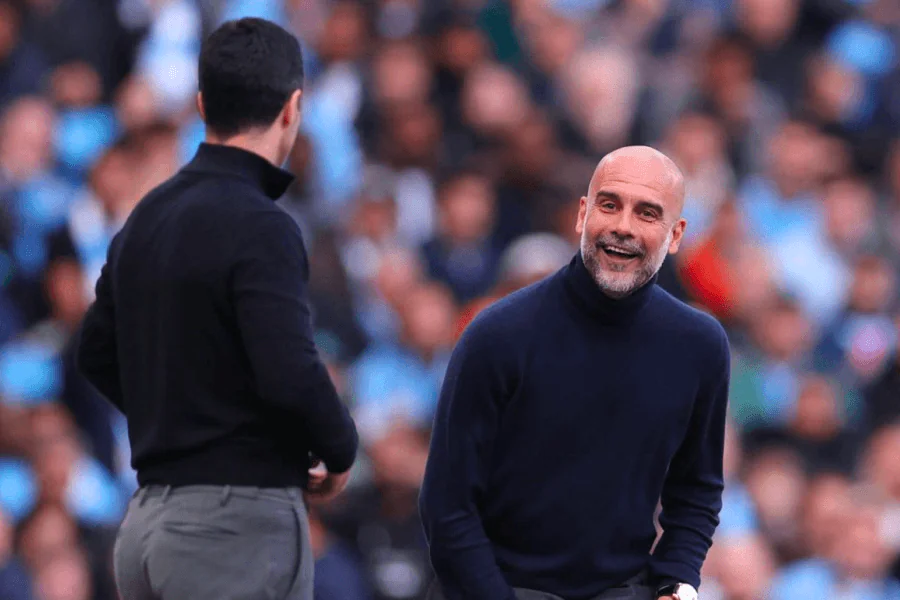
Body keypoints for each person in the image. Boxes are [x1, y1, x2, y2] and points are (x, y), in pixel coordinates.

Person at [75, 18, 359, 600]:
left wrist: (178, 421)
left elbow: (96, 351)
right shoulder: (263, 224)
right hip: (229, 531)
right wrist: (339, 448)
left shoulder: (148, 216)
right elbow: (289, 371)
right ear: (293, 107)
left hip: (148, 525)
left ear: (202, 105)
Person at [419, 146, 730, 600]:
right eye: (610, 205)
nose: (623, 226)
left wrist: (676, 583)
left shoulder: (700, 344)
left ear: (676, 234)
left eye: (647, 213)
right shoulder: (498, 334)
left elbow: (697, 492)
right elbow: (447, 508)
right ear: (583, 214)